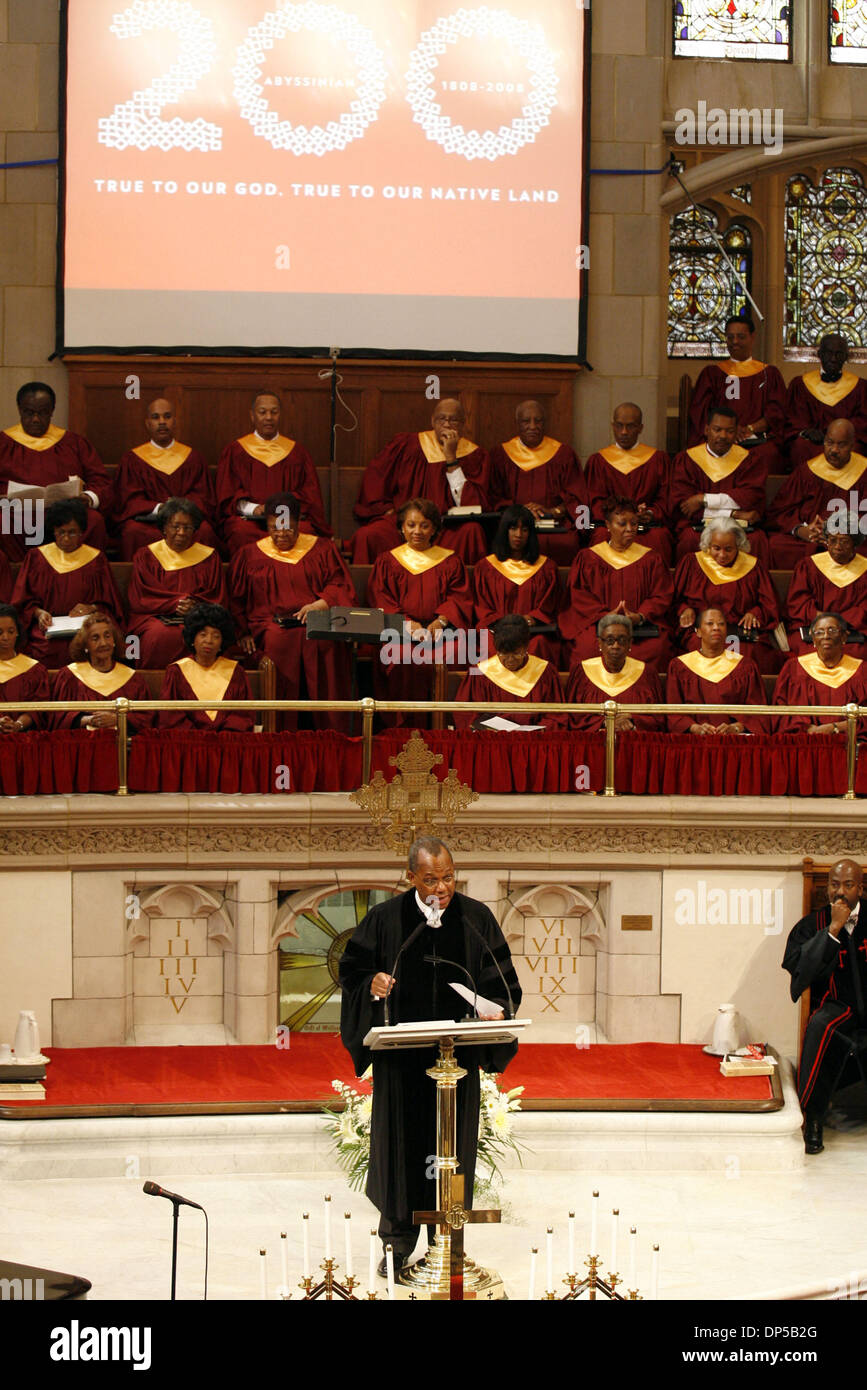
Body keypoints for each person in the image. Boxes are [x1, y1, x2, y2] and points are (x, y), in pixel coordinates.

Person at [338, 836, 521, 1274]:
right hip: (401, 1064)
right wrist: (373, 985)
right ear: (410, 877)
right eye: (431, 879)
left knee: (453, 1150)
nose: (442, 888)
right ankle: (397, 1244)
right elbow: (352, 972)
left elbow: (504, 981)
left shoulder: (476, 918)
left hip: (457, 1064)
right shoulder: (385, 920)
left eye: (449, 877)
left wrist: (496, 1014)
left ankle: (447, 1241)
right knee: (401, 1151)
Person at [228, 492, 355, 731]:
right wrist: (242, 632)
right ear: (266, 525)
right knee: (280, 641)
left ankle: (328, 729)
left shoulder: (322, 548)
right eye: (274, 528)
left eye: (288, 528)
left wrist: (321, 603)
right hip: (271, 623)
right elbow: (238, 599)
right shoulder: (250, 554)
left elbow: (339, 584)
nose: (281, 534)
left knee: (325, 642)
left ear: (298, 523)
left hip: (317, 619)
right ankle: (281, 727)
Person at [782, 858, 867, 1154]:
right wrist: (833, 930)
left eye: (847, 884)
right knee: (820, 1027)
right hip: (835, 1007)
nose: (839, 892)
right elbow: (799, 969)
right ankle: (814, 1118)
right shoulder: (812, 925)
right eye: (834, 884)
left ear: (860, 888)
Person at [367, 497, 473, 727]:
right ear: (401, 527)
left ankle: (443, 724)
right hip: (400, 632)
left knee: (460, 653)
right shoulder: (388, 561)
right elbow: (381, 599)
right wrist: (407, 624)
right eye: (411, 525)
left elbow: (459, 597)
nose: (417, 531)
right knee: (400, 656)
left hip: (442, 633)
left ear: (434, 528)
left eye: (424, 525)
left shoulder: (450, 560)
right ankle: (403, 727)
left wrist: (441, 621)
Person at [351, 398, 490, 564]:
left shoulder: (475, 456)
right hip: (405, 524)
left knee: (471, 531)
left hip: (446, 526)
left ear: (463, 424)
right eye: (441, 419)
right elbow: (376, 479)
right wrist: (387, 509)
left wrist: (451, 458)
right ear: (432, 420)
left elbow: (470, 504)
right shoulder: (407, 445)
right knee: (367, 536)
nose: (447, 424)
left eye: (453, 420)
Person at [0, 382, 112, 559]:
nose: (36, 419)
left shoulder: (74, 443)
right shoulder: (4, 444)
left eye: (42, 412)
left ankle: (79, 573)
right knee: (3, 521)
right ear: (20, 410)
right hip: (19, 514)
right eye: (29, 412)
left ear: (52, 411)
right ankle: (22, 575)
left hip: (67, 512)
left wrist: (88, 498)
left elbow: (102, 482)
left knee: (94, 521)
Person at [559, 495, 673, 670]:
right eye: (622, 524)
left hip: (639, 628)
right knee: (586, 648)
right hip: (600, 625)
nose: (630, 529)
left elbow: (661, 594)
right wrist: (605, 615)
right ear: (608, 525)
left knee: (657, 648)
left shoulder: (651, 558)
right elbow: (580, 595)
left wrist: (640, 615)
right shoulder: (589, 557)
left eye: (634, 523)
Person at [11, 498, 123, 669]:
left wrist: (90, 608)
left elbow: (110, 603)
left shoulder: (95, 559)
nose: (65, 539)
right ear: (53, 530)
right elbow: (23, 601)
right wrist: (39, 614)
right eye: (60, 532)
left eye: (72, 532)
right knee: (45, 647)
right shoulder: (37, 557)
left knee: (88, 643)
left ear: (81, 532)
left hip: (85, 627)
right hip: (48, 628)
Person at [216, 391, 330, 554]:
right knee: (239, 531)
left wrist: (283, 509)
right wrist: (253, 509)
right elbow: (227, 494)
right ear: (252, 415)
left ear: (280, 415)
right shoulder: (236, 451)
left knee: (305, 530)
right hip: (250, 519)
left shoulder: (296, 453)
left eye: (274, 412)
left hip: (285, 518)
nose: (268, 417)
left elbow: (309, 495)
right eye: (262, 412)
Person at [126, 498, 228, 669]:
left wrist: (194, 607)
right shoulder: (146, 555)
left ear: (195, 529)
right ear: (164, 527)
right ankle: (153, 687)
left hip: (199, 618)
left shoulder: (209, 557)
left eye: (187, 527)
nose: (181, 532)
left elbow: (216, 596)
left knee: (203, 635)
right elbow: (141, 596)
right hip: (154, 617)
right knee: (159, 635)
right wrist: (175, 603)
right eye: (175, 527)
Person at [113, 398, 219, 560]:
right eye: (156, 417)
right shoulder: (133, 459)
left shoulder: (193, 458)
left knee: (205, 531)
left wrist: (179, 510)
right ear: (147, 423)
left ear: (175, 421)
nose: (162, 422)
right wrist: (160, 508)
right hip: (147, 521)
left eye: (167, 416)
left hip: (185, 521)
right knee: (132, 532)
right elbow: (128, 500)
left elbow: (202, 497)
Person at [673, 517, 781, 674]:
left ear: (738, 545)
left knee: (750, 654)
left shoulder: (753, 567)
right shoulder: (692, 563)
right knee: (699, 649)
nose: (722, 555)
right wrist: (684, 609)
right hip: (701, 631)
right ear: (708, 545)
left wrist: (755, 613)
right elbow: (674, 599)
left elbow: (769, 604)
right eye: (716, 548)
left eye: (728, 549)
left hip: (740, 631)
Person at [488, 399, 587, 563]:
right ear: (517, 423)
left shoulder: (563, 454)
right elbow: (493, 497)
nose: (533, 426)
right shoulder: (500, 455)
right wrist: (520, 512)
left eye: (538, 421)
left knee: (568, 541)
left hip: (552, 523)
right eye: (526, 421)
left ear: (544, 423)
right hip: (514, 526)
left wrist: (551, 511)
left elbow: (577, 499)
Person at [670, 403, 770, 564]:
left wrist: (703, 499)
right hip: (698, 526)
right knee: (688, 539)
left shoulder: (750, 461)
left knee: (757, 540)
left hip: (739, 528)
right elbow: (685, 507)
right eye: (717, 429)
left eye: (730, 431)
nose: (723, 436)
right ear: (706, 429)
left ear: (737, 432)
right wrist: (734, 514)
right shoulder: (687, 460)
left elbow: (750, 497)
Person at [687, 315, 786, 470]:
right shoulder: (712, 374)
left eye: (741, 337)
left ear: (753, 337)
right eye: (730, 337)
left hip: (756, 441)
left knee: (769, 454)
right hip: (720, 439)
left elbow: (776, 413)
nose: (734, 342)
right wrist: (727, 431)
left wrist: (749, 429)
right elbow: (700, 414)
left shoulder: (769, 374)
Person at [767, 419, 867, 569]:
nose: (834, 450)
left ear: (852, 445)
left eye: (841, 445)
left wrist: (841, 531)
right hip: (811, 539)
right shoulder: (807, 471)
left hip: (851, 541)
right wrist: (801, 530)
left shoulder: (864, 471)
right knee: (776, 544)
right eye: (829, 442)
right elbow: (779, 512)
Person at [472, 506, 563, 667]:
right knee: (488, 644)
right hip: (496, 630)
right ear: (504, 531)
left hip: (533, 633)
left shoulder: (546, 567)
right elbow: (482, 607)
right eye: (513, 528)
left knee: (539, 645)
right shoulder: (486, 567)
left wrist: (532, 619)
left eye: (525, 529)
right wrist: (503, 622)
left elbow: (549, 605)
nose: (518, 535)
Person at [585, 403, 673, 564]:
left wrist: (650, 513)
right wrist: (618, 516)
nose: (624, 432)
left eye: (630, 426)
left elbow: (665, 499)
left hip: (647, 527)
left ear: (640, 428)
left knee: (660, 537)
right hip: (612, 526)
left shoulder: (658, 459)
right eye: (619, 426)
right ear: (613, 426)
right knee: (600, 535)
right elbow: (595, 500)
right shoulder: (599, 461)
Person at [452, 614, 565, 729]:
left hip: (532, 741)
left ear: (526, 648)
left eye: (516, 653)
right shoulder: (481, 673)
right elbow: (467, 715)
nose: (510, 660)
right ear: (496, 650)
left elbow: (555, 716)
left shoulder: (545, 672)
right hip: (493, 741)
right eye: (504, 654)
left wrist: (536, 732)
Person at [666, 608, 765, 735]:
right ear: (698, 631)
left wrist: (736, 727)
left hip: (735, 741)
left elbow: (758, 712)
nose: (716, 628)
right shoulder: (679, 667)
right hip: (693, 741)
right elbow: (674, 713)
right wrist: (695, 728)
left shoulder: (745, 666)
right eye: (710, 623)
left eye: (721, 624)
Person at [159, 603, 254, 731]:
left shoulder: (236, 672)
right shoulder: (176, 672)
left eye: (216, 636)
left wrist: (224, 737)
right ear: (193, 638)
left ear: (222, 642)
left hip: (226, 744)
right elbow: (171, 717)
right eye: (203, 634)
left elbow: (242, 715)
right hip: (189, 744)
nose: (209, 640)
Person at [53, 612, 153, 731]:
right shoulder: (69, 677)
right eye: (95, 638)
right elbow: (57, 718)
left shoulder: (133, 679)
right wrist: (89, 720)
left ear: (114, 641)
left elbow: (146, 719)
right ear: (86, 645)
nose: (103, 643)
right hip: (81, 744)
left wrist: (117, 719)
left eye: (107, 636)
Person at [565, 614, 663, 732]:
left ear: (630, 643)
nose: (616, 646)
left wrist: (632, 720)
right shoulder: (582, 672)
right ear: (600, 643)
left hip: (635, 742)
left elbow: (659, 719)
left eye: (622, 640)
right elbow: (572, 717)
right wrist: (606, 723)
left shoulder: (647, 673)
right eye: (610, 640)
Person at [785, 335, 867, 473]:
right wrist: (807, 431)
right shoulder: (800, 384)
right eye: (829, 353)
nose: (833, 359)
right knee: (800, 446)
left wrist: (840, 433)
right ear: (819, 354)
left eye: (839, 354)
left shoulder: (860, 387)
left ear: (846, 357)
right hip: (812, 442)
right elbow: (793, 418)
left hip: (844, 442)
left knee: (856, 449)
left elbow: (863, 420)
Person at [774, 612, 867, 734]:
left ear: (844, 636)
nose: (826, 636)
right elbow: (782, 712)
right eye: (819, 632)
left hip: (850, 742)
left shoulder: (862, 671)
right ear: (813, 638)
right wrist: (809, 730)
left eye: (832, 630)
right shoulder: (794, 668)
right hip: (804, 741)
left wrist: (834, 728)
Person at [786, 516, 867, 656]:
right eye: (832, 540)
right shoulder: (809, 566)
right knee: (809, 652)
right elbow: (798, 602)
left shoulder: (865, 569)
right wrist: (822, 620)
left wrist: (839, 623)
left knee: (857, 653)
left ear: (854, 543)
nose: (837, 546)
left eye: (844, 541)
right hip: (814, 627)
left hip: (852, 631)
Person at [0, 603, 50, 731]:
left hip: (22, 737)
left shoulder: (33, 670)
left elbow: (37, 708)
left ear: (17, 632)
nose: (5, 637)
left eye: (10, 631)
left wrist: (18, 725)